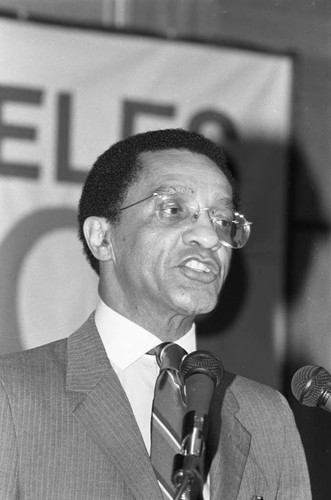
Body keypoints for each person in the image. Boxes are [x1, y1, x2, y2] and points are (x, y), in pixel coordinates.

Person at [0, 128, 311, 499]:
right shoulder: (12, 395)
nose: (210, 238)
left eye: (223, 220)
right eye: (174, 210)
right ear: (102, 237)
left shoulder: (266, 418)